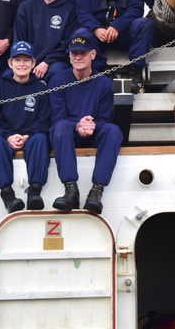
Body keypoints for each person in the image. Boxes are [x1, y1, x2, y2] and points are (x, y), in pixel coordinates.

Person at [49, 31, 123, 214]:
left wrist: (90, 126)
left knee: (114, 131)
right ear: (69, 56)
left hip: (93, 130)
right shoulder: (58, 80)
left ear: (93, 54)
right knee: (60, 126)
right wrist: (77, 125)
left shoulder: (104, 83)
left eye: (83, 52)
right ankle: (70, 190)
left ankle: (96, 191)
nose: (78, 57)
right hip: (67, 134)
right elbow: (57, 117)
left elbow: (104, 119)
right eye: (74, 53)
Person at [0, 41, 51, 212]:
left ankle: (35, 191)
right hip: (6, 137)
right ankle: (7, 194)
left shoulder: (41, 88)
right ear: (10, 63)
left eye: (26, 60)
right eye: (18, 60)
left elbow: (44, 120)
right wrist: (7, 136)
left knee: (40, 138)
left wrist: (27, 135)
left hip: (30, 137)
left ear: (33, 63)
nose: (22, 64)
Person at [14, 0, 78, 79]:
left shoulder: (69, 10)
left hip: (55, 63)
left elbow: (67, 44)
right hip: (27, 61)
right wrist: (28, 63)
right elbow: (19, 40)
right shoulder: (26, 7)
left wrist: (46, 62)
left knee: (59, 73)